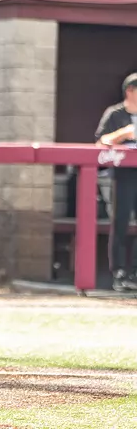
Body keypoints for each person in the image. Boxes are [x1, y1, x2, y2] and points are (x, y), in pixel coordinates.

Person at [95, 72, 137, 292]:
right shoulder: (114, 114)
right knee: (120, 222)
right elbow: (101, 141)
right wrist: (124, 134)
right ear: (130, 91)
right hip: (122, 174)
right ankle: (119, 273)